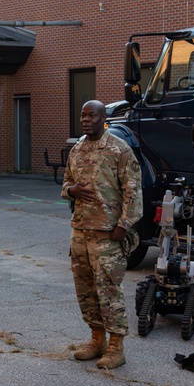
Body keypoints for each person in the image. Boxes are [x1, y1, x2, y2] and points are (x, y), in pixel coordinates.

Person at [61, 100, 142, 370]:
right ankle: (96, 339)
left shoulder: (119, 150)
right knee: (85, 289)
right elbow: (66, 182)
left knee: (108, 289)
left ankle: (116, 347)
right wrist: (71, 191)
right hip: (81, 230)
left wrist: (124, 225)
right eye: (82, 115)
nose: (85, 120)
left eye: (91, 115)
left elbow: (133, 192)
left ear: (103, 118)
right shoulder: (77, 149)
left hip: (108, 233)